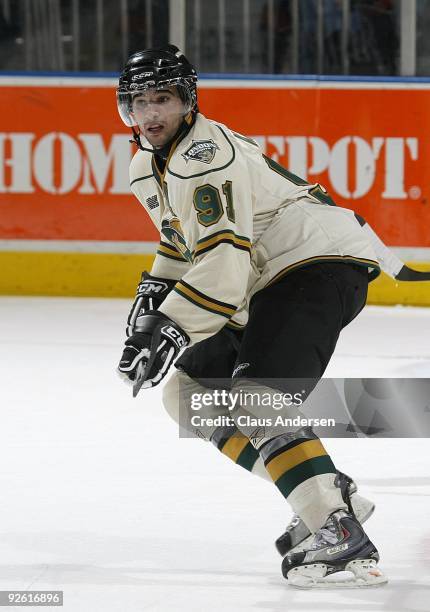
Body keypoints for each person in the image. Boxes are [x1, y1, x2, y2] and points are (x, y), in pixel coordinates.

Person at [116, 44, 387, 588]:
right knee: (190, 389)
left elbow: (223, 262)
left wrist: (171, 323)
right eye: (138, 101)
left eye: (162, 99)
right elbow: (181, 247)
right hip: (272, 275)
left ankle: (338, 536)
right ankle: (328, 492)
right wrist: (154, 302)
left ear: (188, 100)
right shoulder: (146, 163)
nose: (150, 115)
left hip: (316, 261)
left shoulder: (205, 155)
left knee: (257, 394)